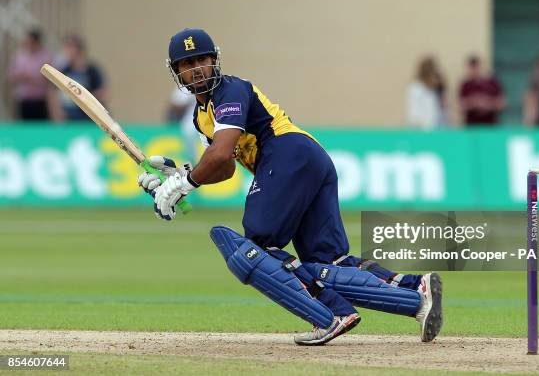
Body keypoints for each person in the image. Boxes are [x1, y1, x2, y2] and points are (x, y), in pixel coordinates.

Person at [137, 28, 443, 346]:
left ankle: (333, 313)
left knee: (256, 249)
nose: (197, 68)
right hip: (308, 158)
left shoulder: (230, 90)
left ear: (216, 60)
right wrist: (181, 174)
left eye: (203, 59)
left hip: (286, 153)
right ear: (176, 72)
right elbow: (224, 167)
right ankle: (416, 292)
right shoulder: (201, 117)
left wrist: (183, 183)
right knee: (328, 261)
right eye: (187, 63)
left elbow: (221, 153)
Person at [47, 35, 107, 121]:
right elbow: (53, 93)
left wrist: (84, 99)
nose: (66, 51)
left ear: (79, 50)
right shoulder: (64, 71)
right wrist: (57, 113)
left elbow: (103, 92)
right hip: (69, 119)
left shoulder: (92, 71)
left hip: (88, 119)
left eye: (70, 47)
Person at [8, 29, 53, 120]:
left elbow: (49, 80)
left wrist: (31, 78)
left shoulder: (45, 56)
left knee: (40, 127)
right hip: (23, 99)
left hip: (40, 100)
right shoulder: (19, 56)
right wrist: (20, 77)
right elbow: (11, 77)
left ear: (37, 42)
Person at [458, 55, 505, 125]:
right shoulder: (466, 85)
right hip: (471, 126)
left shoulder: (492, 83)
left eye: (476, 67)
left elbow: (502, 103)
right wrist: (473, 102)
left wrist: (487, 103)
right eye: (472, 68)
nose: (474, 70)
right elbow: (459, 106)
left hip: (491, 125)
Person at [406, 56, 447, 129]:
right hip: (421, 130)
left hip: (436, 129)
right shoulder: (416, 88)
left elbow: (440, 112)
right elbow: (414, 113)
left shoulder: (434, 90)